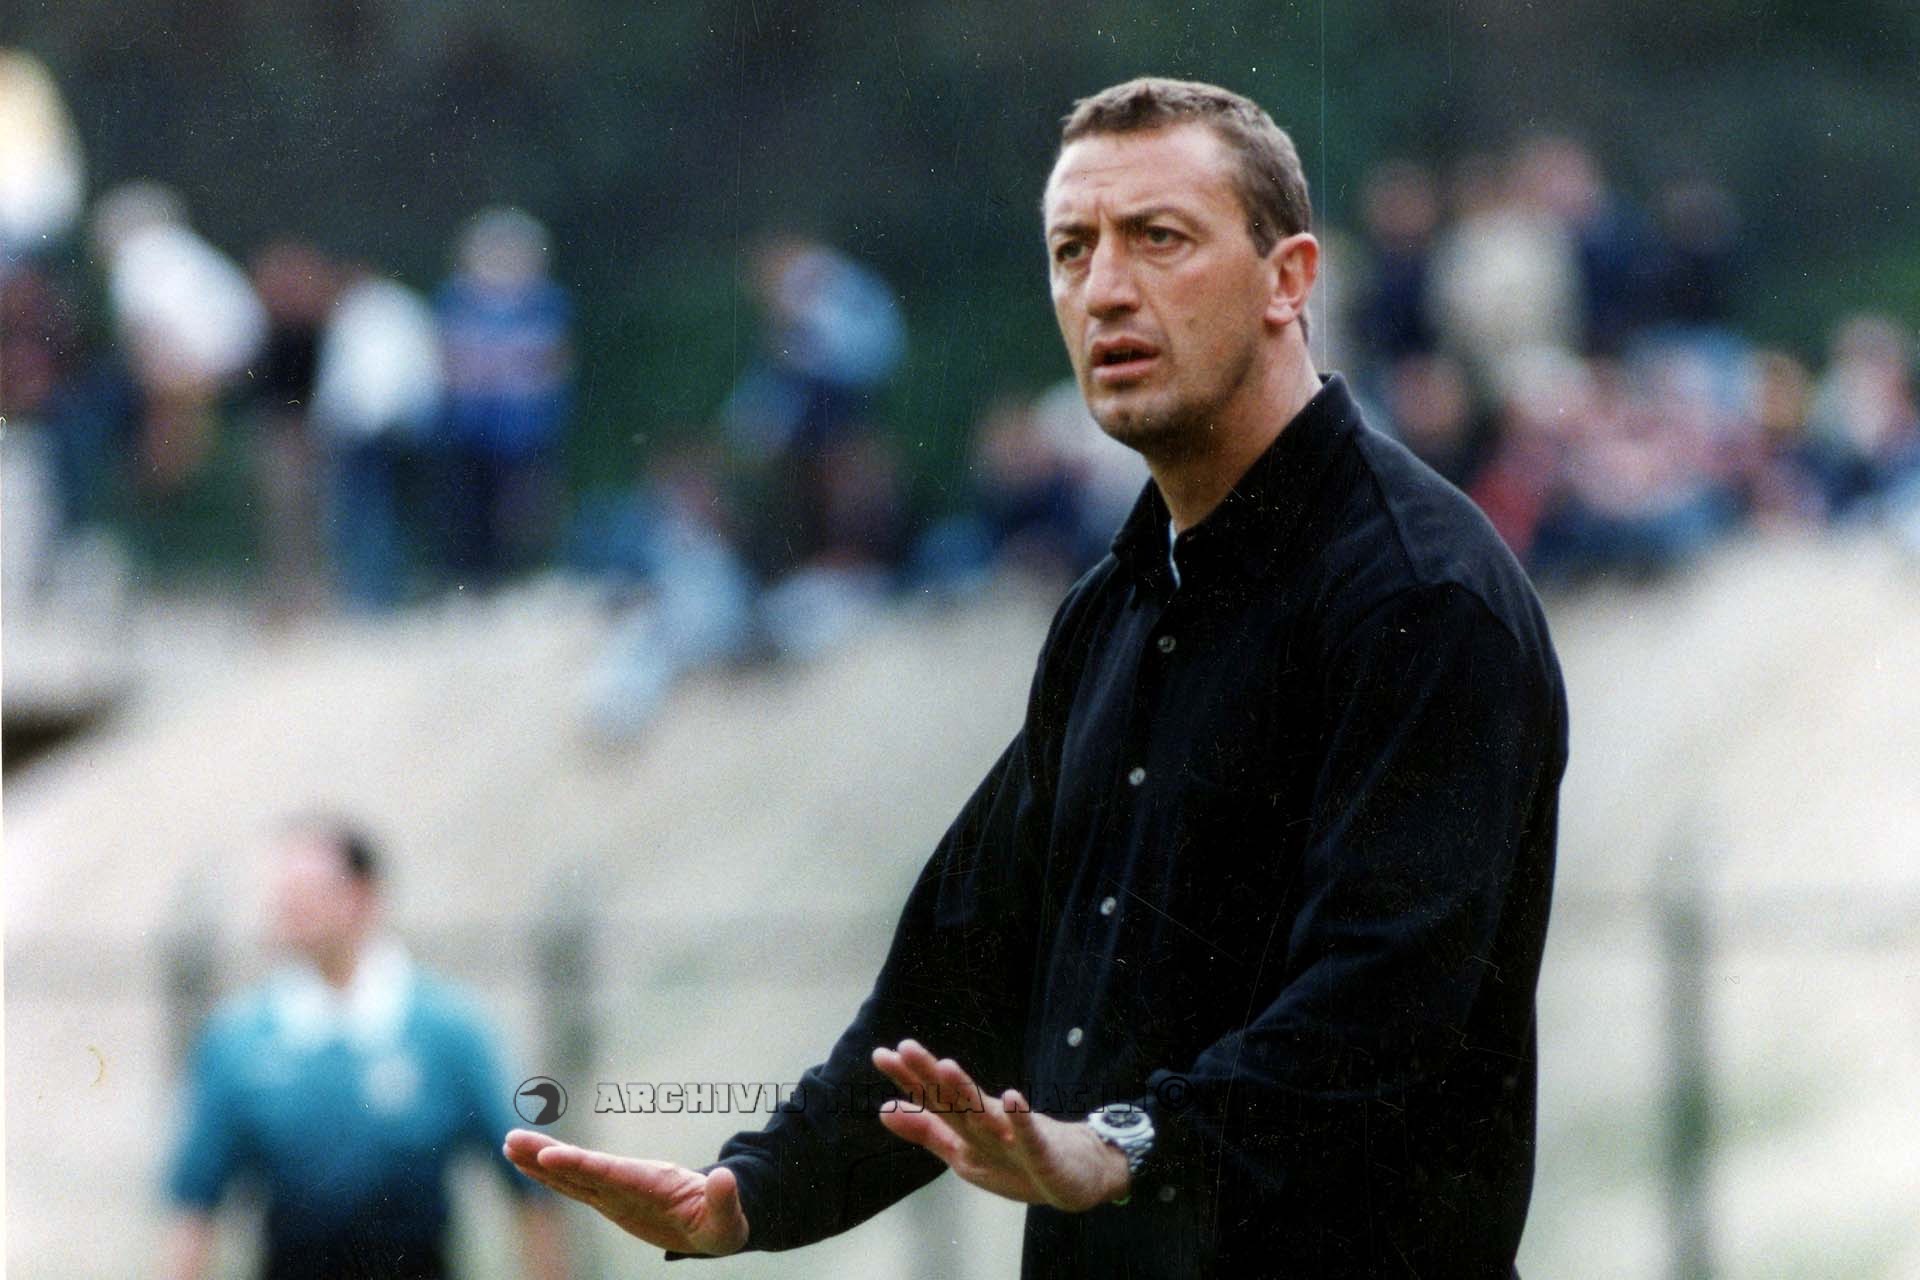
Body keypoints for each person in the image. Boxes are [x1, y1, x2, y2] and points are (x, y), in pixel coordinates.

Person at [506, 76, 1568, 1276]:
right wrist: (749, 1192)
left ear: (1290, 280)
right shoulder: (1112, 609)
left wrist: (1126, 1143)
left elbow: (1380, 1014)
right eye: (1073, 250)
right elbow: (960, 986)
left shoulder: (1422, 597)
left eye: (1158, 238)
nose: (1104, 287)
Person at [163, 818, 569, 1280]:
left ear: (364, 894)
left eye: (307, 889)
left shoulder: (447, 1030)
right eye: (282, 891)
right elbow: (193, 1203)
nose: (288, 905)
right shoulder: (239, 1038)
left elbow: (532, 1185)